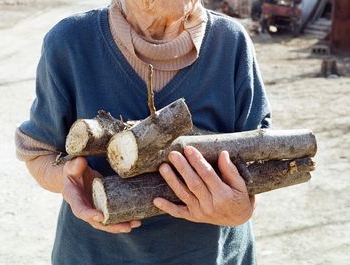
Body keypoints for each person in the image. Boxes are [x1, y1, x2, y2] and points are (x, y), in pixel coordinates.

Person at [15, 0, 271, 264]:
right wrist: (67, 180)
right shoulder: (71, 41)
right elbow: (38, 153)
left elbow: (259, 165)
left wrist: (240, 210)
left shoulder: (231, 43)